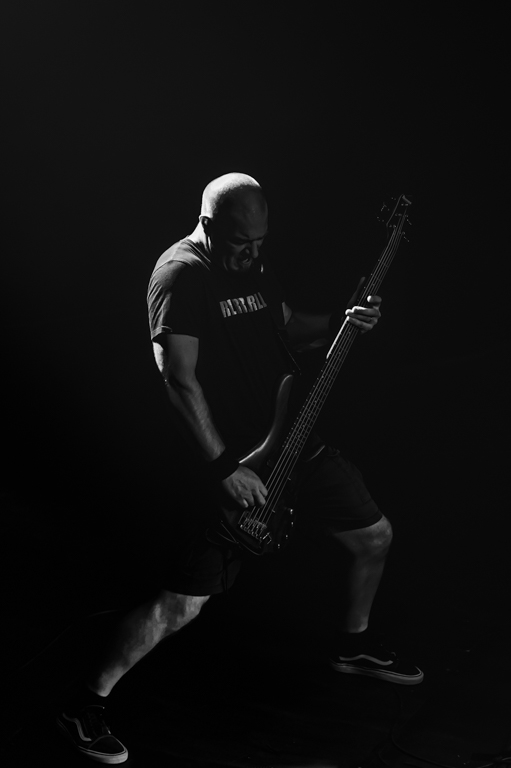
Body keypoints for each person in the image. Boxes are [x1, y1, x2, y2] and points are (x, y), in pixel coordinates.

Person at [56, 173, 423, 764]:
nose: (252, 254)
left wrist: (343, 319)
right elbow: (178, 380)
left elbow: (284, 326)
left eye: (260, 242)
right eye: (240, 243)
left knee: (374, 536)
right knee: (181, 606)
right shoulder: (181, 276)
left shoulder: (250, 264)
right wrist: (224, 469)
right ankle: (84, 702)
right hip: (233, 459)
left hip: (291, 438)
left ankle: (353, 647)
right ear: (208, 225)